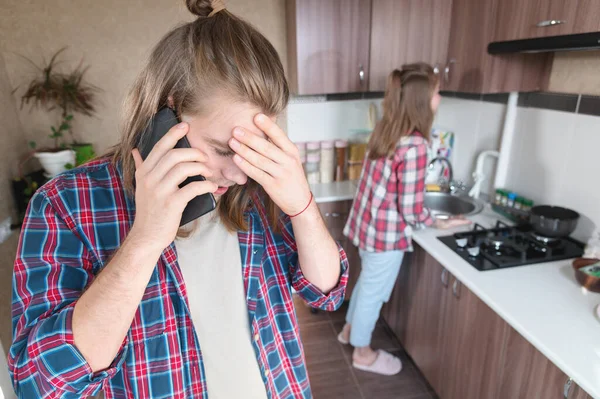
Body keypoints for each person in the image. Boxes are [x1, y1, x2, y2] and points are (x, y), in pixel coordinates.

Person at [8, 1, 348, 398]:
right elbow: (40, 385)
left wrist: (302, 206)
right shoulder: (66, 204)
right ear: (167, 111)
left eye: (253, 148)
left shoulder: (260, 186)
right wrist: (146, 238)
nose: (240, 174)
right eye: (223, 150)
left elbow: (326, 293)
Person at [338, 64, 470, 376]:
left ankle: (348, 332)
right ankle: (362, 352)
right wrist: (436, 222)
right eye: (437, 92)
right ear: (423, 100)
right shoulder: (416, 146)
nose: (440, 97)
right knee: (373, 292)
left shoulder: (387, 128)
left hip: (366, 227)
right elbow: (411, 209)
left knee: (366, 286)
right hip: (385, 235)